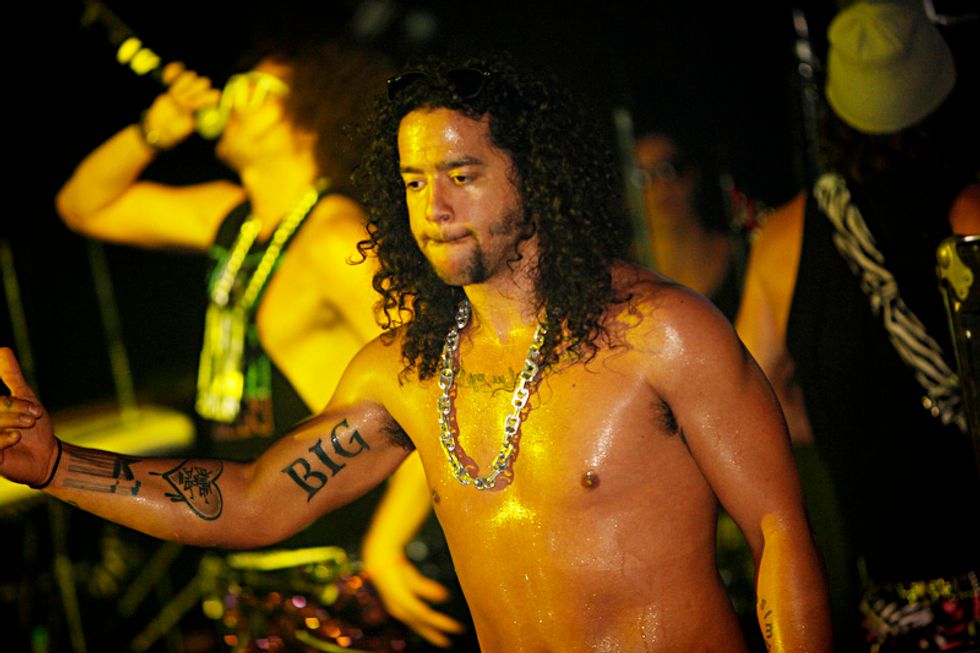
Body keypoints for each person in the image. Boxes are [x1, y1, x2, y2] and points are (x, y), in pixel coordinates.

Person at [3, 53, 832, 652]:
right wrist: (58, 465)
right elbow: (254, 500)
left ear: (535, 177)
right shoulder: (402, 370)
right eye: (411, 181)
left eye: (461, 175)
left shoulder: (658, 330)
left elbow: (779, 530)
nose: (432, 206)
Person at [54, 37, 466, 650]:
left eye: (255, 89)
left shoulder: (334, 238)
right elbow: (83, 206)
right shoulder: (232, 219)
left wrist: (388, 541)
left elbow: (440, 381)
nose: (231, 95)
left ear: (308, 116)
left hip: (335, 567)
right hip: (249, 563)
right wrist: (155, 130)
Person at [735, 2, 980, 651]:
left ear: (835, 107)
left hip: (899, 611)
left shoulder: (786, 238)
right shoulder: (973, 208)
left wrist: (839, 421)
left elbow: (748, 404)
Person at [634, 127, 746, 322]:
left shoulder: (743, 254)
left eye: (669, 169)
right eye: (642, 178)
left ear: (692, 175)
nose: (660, 187)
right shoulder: (621, 279)